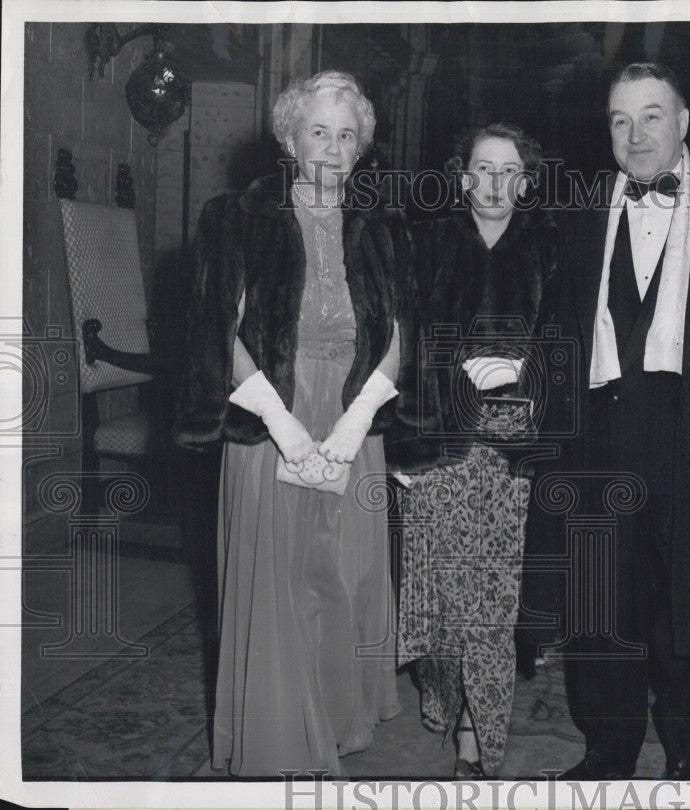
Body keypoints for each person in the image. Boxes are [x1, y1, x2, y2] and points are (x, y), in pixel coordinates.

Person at [517, 62, 690, 780]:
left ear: (683, 123)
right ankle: (605, 750)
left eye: (651, 116)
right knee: (598, 596)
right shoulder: (583, 206)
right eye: (620, 119)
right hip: (598, 428)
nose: (635, 134)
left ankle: (682, 753)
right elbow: (560, 326)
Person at [173, 70, 408, 777]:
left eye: (347, 135)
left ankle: (333, 725)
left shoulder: (381, 226)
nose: (333, 151)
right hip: (266, 414)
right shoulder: (233, 217)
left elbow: (401, 333)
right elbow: (218, 334)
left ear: (362, 147)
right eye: (318, 132)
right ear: (288, 137)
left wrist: (348, 428)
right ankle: (279, 741)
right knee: (278, 579)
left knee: (344, 572)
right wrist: (289, 428)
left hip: (354, 417)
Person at [385, 122, 559, 777]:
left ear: (525, 180)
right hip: (434, 442)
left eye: (507, 171)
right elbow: (399, 343)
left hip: (509, 449)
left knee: (489, 605)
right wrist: (404, 448)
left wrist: (523, 382)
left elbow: (561, 350)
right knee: (438, 603)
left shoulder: (547, 250)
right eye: (481, 170)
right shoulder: (424, 243)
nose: (493, 184)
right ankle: (444, 694)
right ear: (463, 178)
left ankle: (473, 736)